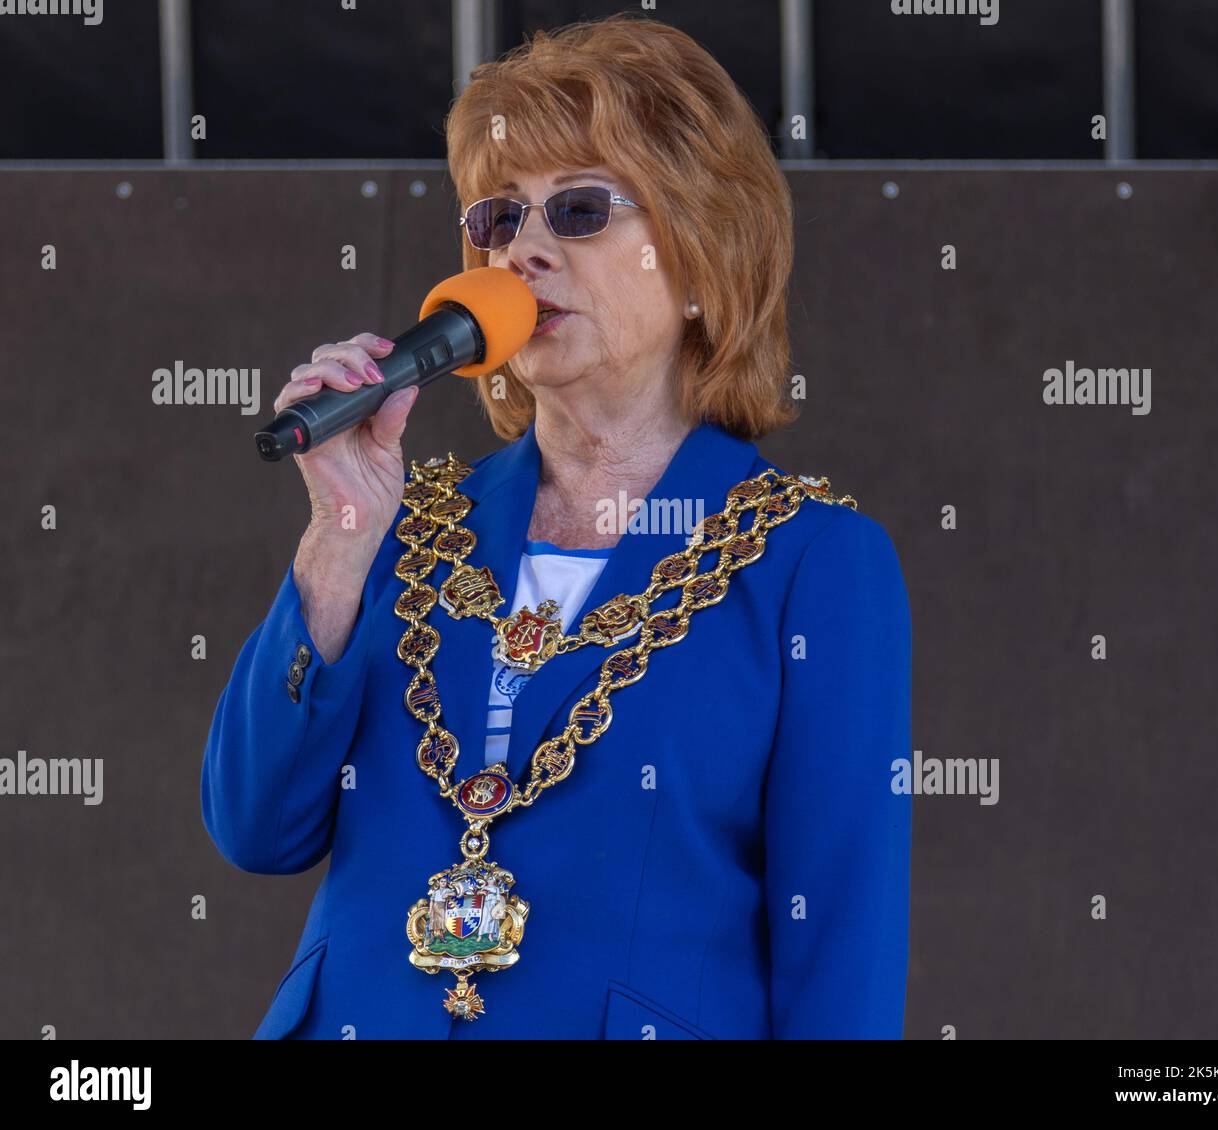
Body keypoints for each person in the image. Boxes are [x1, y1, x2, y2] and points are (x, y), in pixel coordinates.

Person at [200, 12, 911, 1040]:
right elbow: (255, 828)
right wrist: (341, 536)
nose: (522, 249)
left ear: (705, 260)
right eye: (496, 219)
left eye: (577, 210)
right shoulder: (404, 521)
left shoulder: (812, 562)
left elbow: (840, 954)